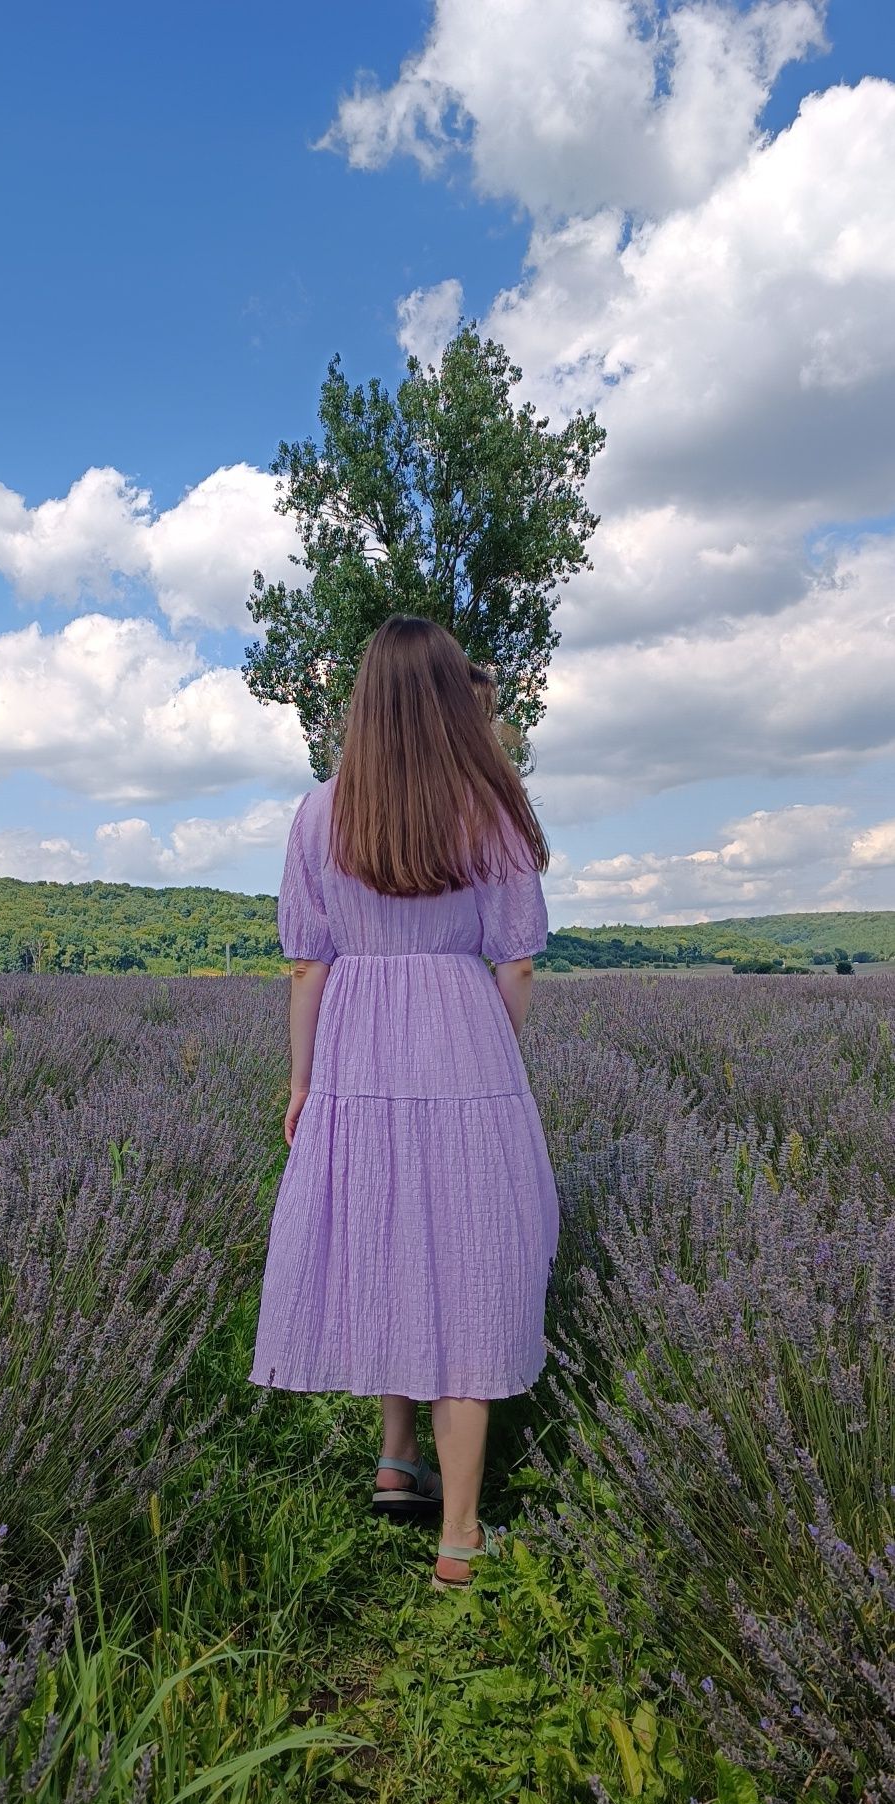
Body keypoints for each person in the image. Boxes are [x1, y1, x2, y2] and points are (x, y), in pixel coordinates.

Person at [249, 614, 560, 1591]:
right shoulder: (491, 807)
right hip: (466, 1045)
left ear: (365, 701)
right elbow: (516, 961)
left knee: (386, 1242)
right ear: (448, 698)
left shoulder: (319, 813)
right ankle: (458, 1536)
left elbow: (308, 964)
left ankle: (395, 1461)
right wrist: (487, 1057)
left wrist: (304, 1082)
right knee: (467, 1263)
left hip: (356, 1043)